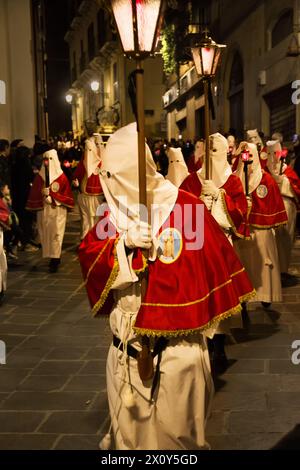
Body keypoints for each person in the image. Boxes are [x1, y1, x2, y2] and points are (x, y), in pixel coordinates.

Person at [78, 123, 254, 450]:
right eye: (108, 176)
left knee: (178, 444)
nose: (109, 185)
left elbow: (213, 267)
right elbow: (89, 255)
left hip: (179, 352)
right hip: (126, 351)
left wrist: (213, 207)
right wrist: (123, 246)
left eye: (115, 176)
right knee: (130, 445)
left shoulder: (187, 208)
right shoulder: (111, 214)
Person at [180, 133, 250, 370]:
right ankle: (202, 340)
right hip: (197, 246)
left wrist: (220, 197)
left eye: (216, 151)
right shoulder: (191, 181)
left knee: (220, 295)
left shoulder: (233, 183)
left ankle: (219, 344)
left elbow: (240, 214)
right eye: (208, 151)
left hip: (222, 246)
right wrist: (197, 202)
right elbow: (179, 210)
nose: (211, 156)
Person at [233, 142, 287, 308]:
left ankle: (265, 295)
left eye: (250, 156)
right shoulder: (235, 179)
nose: (246, 160)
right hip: (242, 233)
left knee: (262, 265)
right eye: (244, 156)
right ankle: (243, 297)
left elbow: (273, 204)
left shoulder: (266, 180)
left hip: (261, 233)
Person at [26, 149, 74, 273]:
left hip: (57, 211)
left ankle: (55, 258)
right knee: (46, 233)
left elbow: (67, 195)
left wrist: (54, 198)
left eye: (49, 159)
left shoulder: (62, 177)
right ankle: (50, 255)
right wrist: (42, 196)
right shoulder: (39, 177)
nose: (47, 163)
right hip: (44, 211)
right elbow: (35, 193)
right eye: (45, 160)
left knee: (56, 234)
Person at [266, 140, 300, 281]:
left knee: (285, 238)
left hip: (286, 205)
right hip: (269, 208)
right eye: (270, 153)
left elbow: (296, 185)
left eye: (275, 153)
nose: (273, 156)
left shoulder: (286, 169)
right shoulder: (263, 169)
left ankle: (283, 269)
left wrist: (283, 181)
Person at [73, 133, 105, 239]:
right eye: (86, 150)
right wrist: (75, 182)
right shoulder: (83, 163)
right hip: (84, 197)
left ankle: (95, 241)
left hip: (98, 197)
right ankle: (85, 240)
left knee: (97, 219)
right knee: (86, 221)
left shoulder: (102, 163)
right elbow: (76, 175)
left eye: (90, 150)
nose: (88, 153)